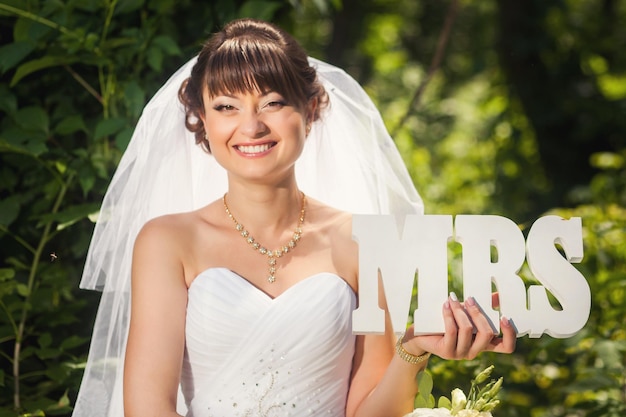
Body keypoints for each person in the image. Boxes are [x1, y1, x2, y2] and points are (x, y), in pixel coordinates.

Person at [72, 18, 516, 417]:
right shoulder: (167, 241)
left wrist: (415, 350)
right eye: (226, 106)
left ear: (310, 109)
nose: (251, 127)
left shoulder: (366, 241)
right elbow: (148, 410)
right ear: (201, 120)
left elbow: (367, 414)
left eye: (272, 103)